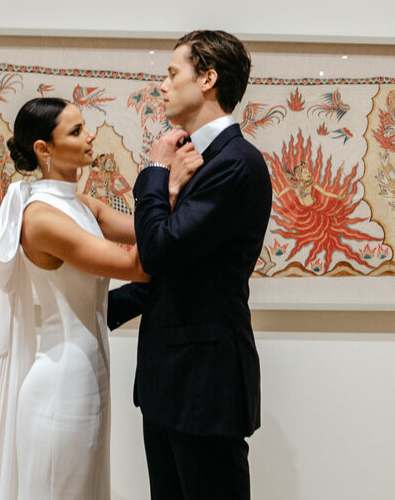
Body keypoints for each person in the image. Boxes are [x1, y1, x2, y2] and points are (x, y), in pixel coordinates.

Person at [0, 97, 198, 500]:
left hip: (89, 375)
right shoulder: (42, 218)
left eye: (86, 126)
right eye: (76, 131)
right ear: (43, 150)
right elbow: (140, 264)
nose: (90, 136)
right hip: (60, 385)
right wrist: (161, 176)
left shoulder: (83, 204)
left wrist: (174, 193)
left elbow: (152, 232)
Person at [108, 30, 273, 500]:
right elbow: (175, 271)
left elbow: (160, 250)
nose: (162, 84)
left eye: (172, 72)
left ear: (208, 79)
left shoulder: (236, 163)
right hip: (171, 381)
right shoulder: (198, 157)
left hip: (205, 385)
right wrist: (90, 314)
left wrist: (157, 173)